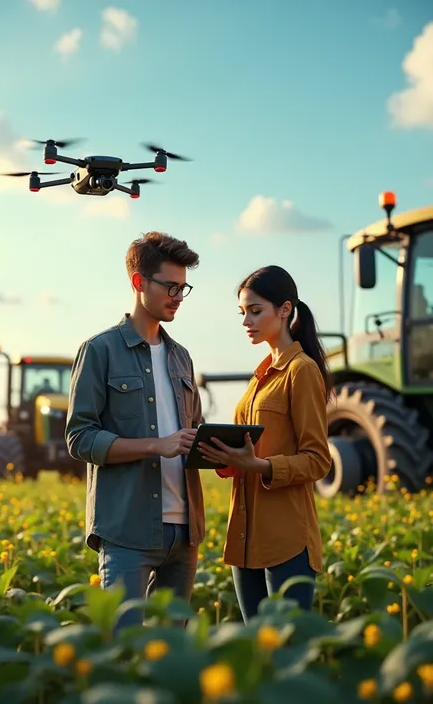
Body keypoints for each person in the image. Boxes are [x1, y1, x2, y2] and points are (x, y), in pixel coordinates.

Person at [65, 231, 205, 629]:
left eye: (183, 287)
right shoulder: (99, 350)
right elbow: (79, 437)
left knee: (170, 656)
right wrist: (154, 446)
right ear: (138, 282)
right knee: (120, 653)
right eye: (170, 286)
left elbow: (189, 432)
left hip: (184, 532)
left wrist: (221, 449)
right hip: (127, 530)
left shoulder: (182, 357)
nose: (178, 295)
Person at [198, 265, 332, 622]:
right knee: (256, 656)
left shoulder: (301, 371)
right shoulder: (259, 377)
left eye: (255, 311)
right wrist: (225, 458)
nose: (246, 321)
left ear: (285, 310)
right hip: (244, 537)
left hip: (286, 538)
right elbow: (252, 447)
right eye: (243, 313)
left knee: (285, 655)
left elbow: (319, 460)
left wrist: (261, 466)